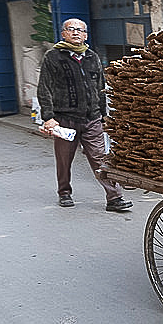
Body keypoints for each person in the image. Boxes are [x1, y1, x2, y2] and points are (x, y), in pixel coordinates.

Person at [36, 18, 131, 212]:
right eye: (71, 29)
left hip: (92, 119)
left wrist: (104, 115)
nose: (76, 33)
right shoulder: (53, 57)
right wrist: (48, 117)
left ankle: (114, 197)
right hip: (65, 120)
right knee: (64, 159)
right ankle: (64, 192)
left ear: (86, 35)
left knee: (100, 158)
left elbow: (100, 88)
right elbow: (44, 88)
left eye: (80, 30)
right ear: (63, 33)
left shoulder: (92, 57)